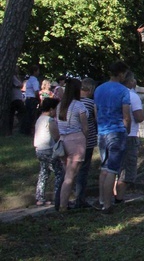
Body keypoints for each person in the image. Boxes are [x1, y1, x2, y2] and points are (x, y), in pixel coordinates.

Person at [94, 61, 131, 214]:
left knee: (103, 167)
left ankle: (102, 200)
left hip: (102, 132)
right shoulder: (123, 90)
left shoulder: (99, 89)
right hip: (117, 131)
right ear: (121, 73)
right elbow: (126, 115)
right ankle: (108, 205)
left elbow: (96, 112)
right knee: (112, 169)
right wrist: (126, 130)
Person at [56, 78, 89, 211]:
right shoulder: (79, 106)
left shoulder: (60, 106)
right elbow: (85, 127)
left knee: (66, 173)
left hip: (63, 140)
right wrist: (85, 138)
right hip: (76, 140)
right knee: (71, 176)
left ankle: (62, 202)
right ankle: (63, 205)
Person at [115, 72, 144, 204]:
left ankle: (108, 197)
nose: (135, 82)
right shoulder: (132, 95)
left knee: (113, 168)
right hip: (129, 134)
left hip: (112, 133)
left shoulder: (114, 94)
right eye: (133, 79)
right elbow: (138, 117)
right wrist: (143, 115)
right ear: (130, 81)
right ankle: (119, 198)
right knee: (126, 168)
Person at [33, 98, 63, 207]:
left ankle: (39, 197)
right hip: (49, 150)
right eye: (56, 109)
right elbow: (56, 136)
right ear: (51, 109)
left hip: (39, 149)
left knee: (44, 173)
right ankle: (59, 196)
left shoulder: (39, 119)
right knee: (60, 173)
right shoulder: (50, 121)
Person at [73, 78, 97, 208]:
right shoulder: (90, 103)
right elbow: (96, 119)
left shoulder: (72, 103)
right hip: (88, 140)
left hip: (72, 140)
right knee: (83, 170)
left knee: (72, 170)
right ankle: (80, 198)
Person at [22, 64, 41, 135]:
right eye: (38, 71)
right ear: (35, 71)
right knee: (32, 116)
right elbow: (36, 91)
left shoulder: (29, 80)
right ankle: (30, 131)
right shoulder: (34, 80)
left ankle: (25, 130)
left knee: (28, 115)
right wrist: (38, 99)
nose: (38, 72)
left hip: (28, 99)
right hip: (32, 99)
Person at [9, 65, 25, 134]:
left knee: (12, 114)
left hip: (16, 97)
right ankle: (19, 127)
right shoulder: (13, 77)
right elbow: (21, 85)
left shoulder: (15, 77)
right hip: (16, 98)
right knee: (23, 112)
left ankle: (12, 129)